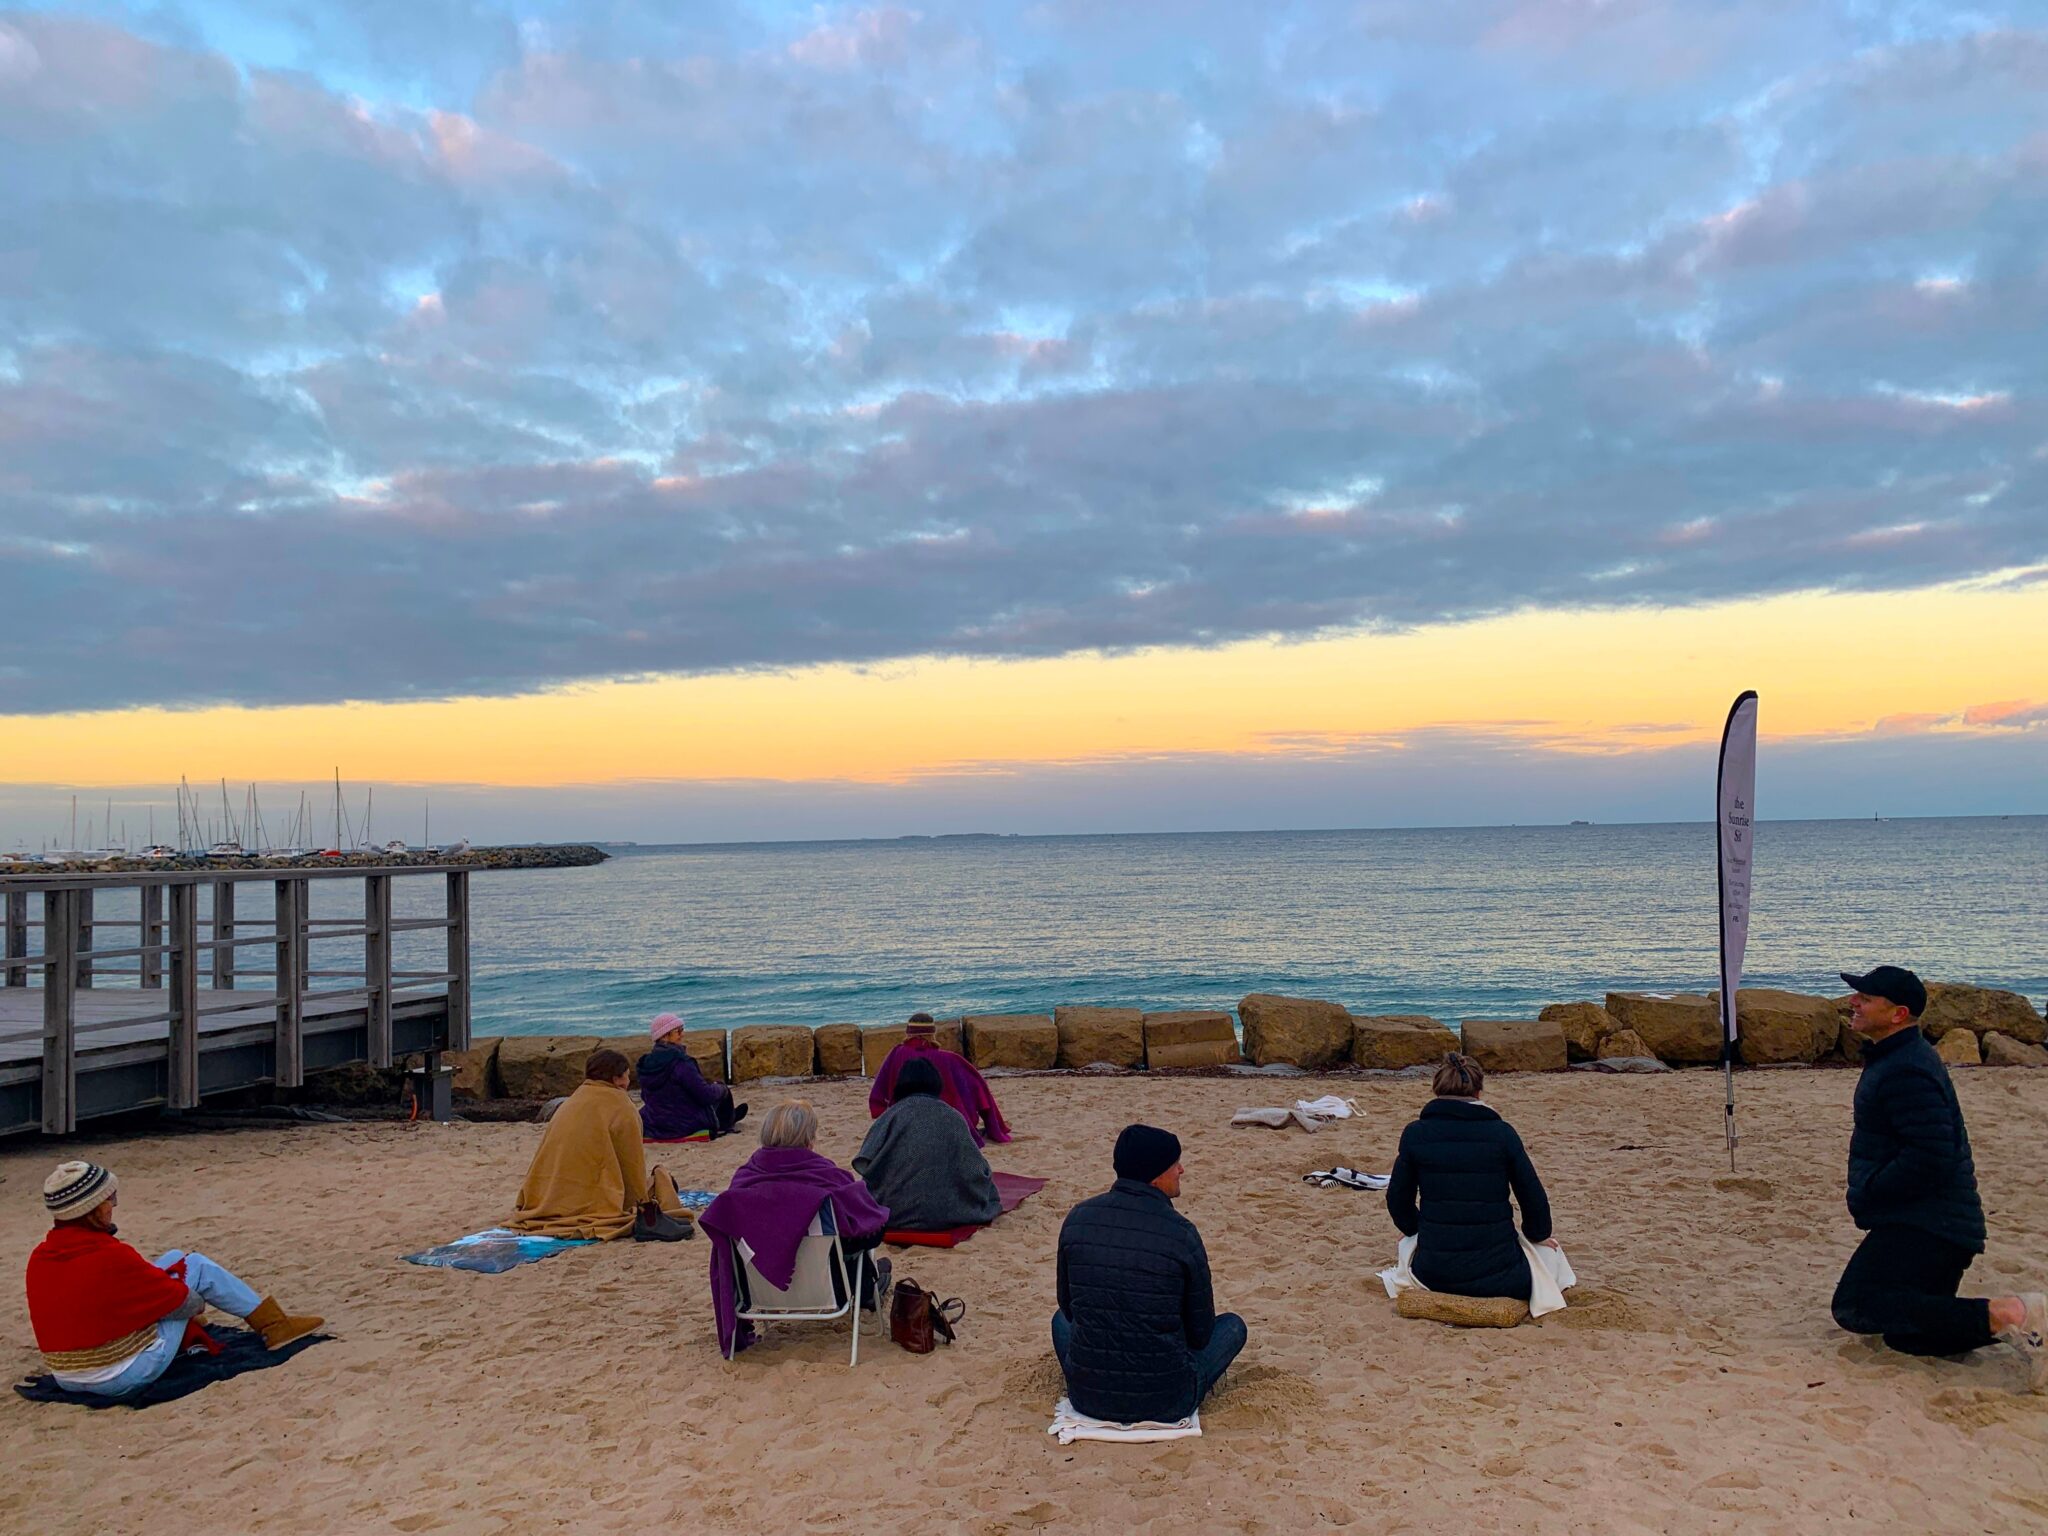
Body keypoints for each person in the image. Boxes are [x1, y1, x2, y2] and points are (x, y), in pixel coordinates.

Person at [1831, 965, 2045, 1388]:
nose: (1853, 1002)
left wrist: (1873, 1191)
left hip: (1931, 1223)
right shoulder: (1896, 1058)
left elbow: (1931, 1154)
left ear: (1898, 1014)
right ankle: (2020, 1328)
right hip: (1932, 1220)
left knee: (1855, 1305)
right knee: (1910, 1338)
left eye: (1866, 998)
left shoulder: (1906, 1068)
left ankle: (2015, 1313)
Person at [25, 1161, 323, 1399]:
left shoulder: (40, 1258)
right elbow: (189, 1304)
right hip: (119, 1376)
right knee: (196, 1268)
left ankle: (272, 1323)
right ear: (90, 1210)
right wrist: (182, 1306)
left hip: (67, 1378)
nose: (113, 1205)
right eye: (109, 1199)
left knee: (173, 1257)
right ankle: (275, 1326)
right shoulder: (111, 1256)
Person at [1053, 1125, 1246, 1423]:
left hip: (1087, 1397)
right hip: (1168, 1401)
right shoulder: (1181, 1233)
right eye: (1175, 1164)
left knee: (1059, 1321)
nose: (1182, 1170)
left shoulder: (1078, 1218)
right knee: (1233, 1327)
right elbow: (1201, 1334)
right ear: (1156, 1176)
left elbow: (1068, 1307)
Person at [700, 1100, 893, 1356]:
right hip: (829, 1290)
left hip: (757, 1291)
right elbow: (871, 1231)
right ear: (809, 1140)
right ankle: (870, 1288)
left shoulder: (741, 1185)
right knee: (857, 1248)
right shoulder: (829, 1180)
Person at [1383, 1053, 1565, 1303]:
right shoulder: (1502, 1134)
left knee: (1407, 1245)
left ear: (1436, 1090)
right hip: (1504, 1276)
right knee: (1552, 1256)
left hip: (1433, 1273)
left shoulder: (1416, 1134)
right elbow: (1531, 1195)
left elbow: (1397, 1199)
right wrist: (1539, 1234)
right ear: (1479, 1092)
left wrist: (1415, 1230)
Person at [511, 1049, 694, 1241]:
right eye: (626, 1076)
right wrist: (642, 1205)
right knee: (663, 1180)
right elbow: (631, 1165)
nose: (628, 1081)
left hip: (545, 1196)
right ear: (616, 1079)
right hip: (591, 1198)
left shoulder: (572, 1101)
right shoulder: (620, 1104)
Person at [854, 1058, 1002, 1231]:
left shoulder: (891, 1116)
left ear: (900, 1084)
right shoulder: (953, 1116)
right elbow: (975, 1169)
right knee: (989, 1191)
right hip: (951, 1213)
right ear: (936, 1083)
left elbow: (864, 1162)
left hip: (894, 1213)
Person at [868, 1014, 1012, 1146]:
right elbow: (979, 1089)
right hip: (945, 1123)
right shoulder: (949, 1059)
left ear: (908, 1033)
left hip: (904, 1125)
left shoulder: (896, 1053)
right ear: (932, 1034)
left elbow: (879, 1093)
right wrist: (994, 1125)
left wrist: (886, 1119)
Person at [638, 1013, 747, 1142]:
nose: (682, 1034)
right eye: (678, 1031)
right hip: (684, 1124)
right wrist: (720, 1087)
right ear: (665, 1036)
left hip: (656, 1123)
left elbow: (645, 1096)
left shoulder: (645, 1064)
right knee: (720, 1089)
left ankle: (728, 1116)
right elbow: (705, 1096)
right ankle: (727, 1122)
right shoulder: (681, 1063)